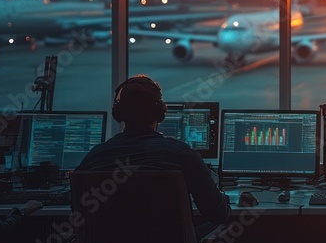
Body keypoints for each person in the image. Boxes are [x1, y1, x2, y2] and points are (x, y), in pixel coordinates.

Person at [76, 75, 230, 228]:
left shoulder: (95, 157)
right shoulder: (183, 155)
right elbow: (217, 213)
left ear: (118, 112)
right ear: (162, 112)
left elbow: (77, 210)